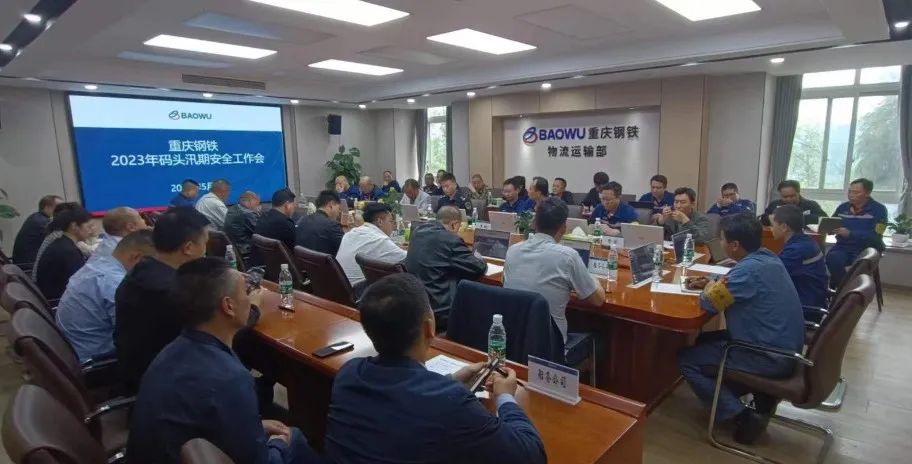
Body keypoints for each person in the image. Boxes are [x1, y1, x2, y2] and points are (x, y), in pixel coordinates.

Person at [324, 273, 546, 464]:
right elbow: (531, 455)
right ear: (429, 327)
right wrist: (505, 397)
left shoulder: (348, 374)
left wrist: (450, 381)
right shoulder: (451, 404)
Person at [128, 257, 321, 464]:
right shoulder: (229, 377)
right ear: (228, 306)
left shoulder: (172, 351)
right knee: (293, 438)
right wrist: (280, 443)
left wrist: (253, 427)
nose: (251, 298)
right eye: (246, 292)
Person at [678, 214, 804, 445]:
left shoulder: (747, 272)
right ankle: (758, 394)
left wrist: (710, 285)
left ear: (735, 245)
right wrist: (716, 279)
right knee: (704, 342)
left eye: (722, 239)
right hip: (783, 348)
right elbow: (736, 282)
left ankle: (742, 416)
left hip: (766, 356)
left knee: (687, 360)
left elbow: (709, 303)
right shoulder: (767, 258)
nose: (720, 243)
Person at [115, 207, 209, 394]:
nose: (206, 250)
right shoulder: (172, 291)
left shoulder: (141, 270)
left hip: (141, 371)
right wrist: (252, 305)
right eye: (205, 243)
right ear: (188, 248)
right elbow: (218, 333)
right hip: (172, 387)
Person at [503, 197, 605, 347]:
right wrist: (594, 280)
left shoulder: (513, 250)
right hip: (550, 344)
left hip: (514, 338)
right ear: (564, 227)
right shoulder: (568, 256)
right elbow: (598, 300)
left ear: (534, 223)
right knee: (601, 336)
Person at [56, 230, 155, 363]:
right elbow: (134, 338)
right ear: (138, 258)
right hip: (95, 363)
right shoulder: (115, 282)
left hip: (72, 350)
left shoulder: (97, 265)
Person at [404, 206, 487, 329]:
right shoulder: (451, 240)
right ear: (454, 224)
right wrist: (479, 258)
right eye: (459, 227)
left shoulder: (417, 232)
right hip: (441, 310)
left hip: (416, 303)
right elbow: (479, 268)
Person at [826, 178, 888, 288]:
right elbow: (833, 223)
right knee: (832, 258)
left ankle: (844, 289)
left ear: (867, 193)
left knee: (860, 267)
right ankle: (845, 289)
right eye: (850, 191)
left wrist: (851, 234)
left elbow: (875, 236)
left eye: (856, 192)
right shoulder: (843, 207)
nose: (851, 195)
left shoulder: (879, 210)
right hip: (843, 247)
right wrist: (829, 229)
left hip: (867, 248)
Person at [770, 205, 828, 320]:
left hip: (803, 309)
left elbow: (770, 275)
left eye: (773, 225)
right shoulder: (805, 241)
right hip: (810, 300)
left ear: (784, 227)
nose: (771, 229)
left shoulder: (796, 250)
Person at [336, 203, 406, 291]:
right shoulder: (379, 240)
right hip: (357, 292)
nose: (393, 226)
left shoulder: (351, 233)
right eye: (391, 221)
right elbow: (409, 259)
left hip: (339, 288)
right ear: (380, 221)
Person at [35, 206, 94, 300]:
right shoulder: (68, 252)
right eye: (89, 227)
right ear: (74, 226)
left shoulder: (62, 243)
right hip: (60, 301)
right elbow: (82, 285)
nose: (92, 231)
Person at [12, 194, 63, 265]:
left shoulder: (35, 217)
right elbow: (62, 240)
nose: (63, 210)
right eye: (60, 207)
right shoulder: (42, 222)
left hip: (23, 263)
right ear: (47, 207)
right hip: (29, 265)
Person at [296, 190, 344, 256]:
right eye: (339, 208)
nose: (339, 212)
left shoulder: (302, 220)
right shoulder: (332, 226)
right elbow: (345, 250)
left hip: (302, 261)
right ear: (331, 205)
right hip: (324, 262)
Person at [760, 180, 827, 226]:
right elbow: (763, 219)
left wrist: (799, 218)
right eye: (785, 197)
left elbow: (824, 220)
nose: (789, 199)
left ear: (798, 192)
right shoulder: (774, 204)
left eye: (792, 196)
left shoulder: (811, 204)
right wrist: (774, 218)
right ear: (780, 194)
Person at [254, 189, 298, 255]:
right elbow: (294, 250)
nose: (294, 208)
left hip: (261, 259)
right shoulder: (286, 224)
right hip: (278, 261)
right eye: (293, 205)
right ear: (287, 205)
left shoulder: (262, 218)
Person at [225, 191, 262, 265]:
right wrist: (258, 214)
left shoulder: (232, 209)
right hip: (246, 250)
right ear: (249, 202)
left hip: (236, 249)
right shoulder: (247, 213)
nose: (258, 206)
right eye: (257, 203)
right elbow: (262, 231)